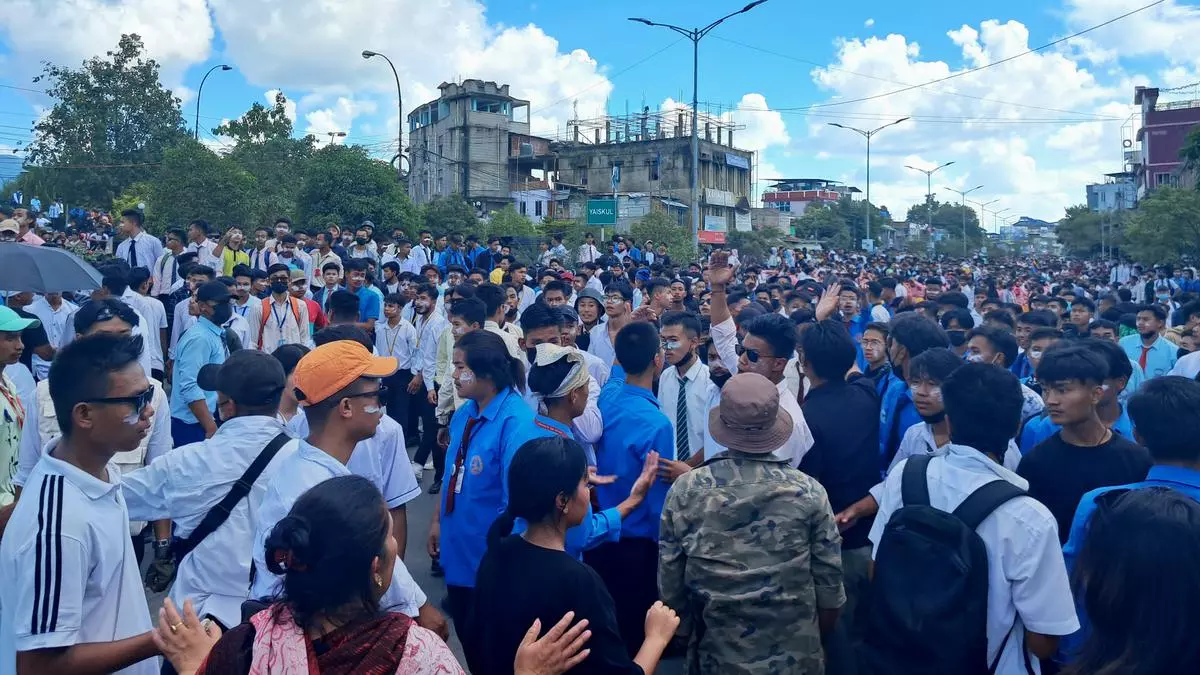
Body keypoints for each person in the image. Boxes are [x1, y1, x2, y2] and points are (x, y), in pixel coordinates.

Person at [865, 363, 1080, 674]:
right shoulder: (1028, 517)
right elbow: (1044, 639)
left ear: (949, 422)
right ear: (1015, 429)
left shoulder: (905, 476)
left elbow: (877, 568)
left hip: (900, 656)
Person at [155, 476, 467, 674]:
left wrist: (198, 666)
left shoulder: (246, 647)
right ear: (376, 568)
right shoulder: (419, 655)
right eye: (388, 532)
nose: (395, 540)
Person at [249, 338, 439, 631]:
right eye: (379, 394)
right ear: (347, 407)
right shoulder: (324, 494)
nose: (381, 405)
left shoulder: (304, 466)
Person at [661, 373, 845, 674]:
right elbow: (830, 590)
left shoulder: (686, 490)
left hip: (716, 656)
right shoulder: (809, 492)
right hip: (795, 657)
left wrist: (685, 634)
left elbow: (671, 583)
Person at [0, 334, 161, 674]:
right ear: (84, 414)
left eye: (148, 394)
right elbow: (37, 667)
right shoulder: (58, 527)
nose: (148, 410)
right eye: (135, 400)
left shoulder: (103, 472)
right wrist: (159, 639)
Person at [468, 436, 679, 675]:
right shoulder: (579, 582)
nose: (590, 493)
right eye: (586, 484)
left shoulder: (498, 552)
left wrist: (634, 499)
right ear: (562, 501)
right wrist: (656, 637)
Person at [122, 350, 298, 633]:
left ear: (227, 406)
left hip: (199, 625)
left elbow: (116, 497)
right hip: (280, 627)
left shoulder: (188, 462)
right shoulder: (308, 462)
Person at [1056, 376, 1200, 670]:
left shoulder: (1099, 504)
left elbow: (1075, 592)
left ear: (1138, 436)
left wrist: (1074, 657)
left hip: (1107, 658)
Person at [429, 330, 539, 628]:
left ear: (487, 372)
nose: (453, 375)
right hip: (459, 555)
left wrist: (507, 569)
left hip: (490, 565)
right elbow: (454, 471)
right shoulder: (465, 413)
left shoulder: (516, 424)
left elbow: (516, 505)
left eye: (461, 367)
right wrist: (438, 521)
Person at [589, 321, 676, 654]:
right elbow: (657, 500)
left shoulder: (608, 394)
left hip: (599, 526)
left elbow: (615, 370)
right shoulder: (656, 423)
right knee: (635, 633)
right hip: (636, 541)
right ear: (658, 360)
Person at [1017, 346, 1151, 544]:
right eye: (1046, 389)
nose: (1051, 400)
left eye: (1062, 390)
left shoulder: (1137, 459)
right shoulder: (1036, 462)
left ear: (1096, 394)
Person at [169, 281, 233, 444]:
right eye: (221, 304)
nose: (226, 307)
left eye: (228, 302)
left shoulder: (214, 333)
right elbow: (190, 386)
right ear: (203, 306)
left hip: (206, 419)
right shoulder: (200, 338)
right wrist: (210, 427)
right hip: (193, 423)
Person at [656, 311, 712, 470]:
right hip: (667, 469)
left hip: (702, 471)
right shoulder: (665, 377)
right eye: (663, 341)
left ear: (694, 342)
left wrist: (687, 467)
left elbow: (715, 438)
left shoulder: (711, 383)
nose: (666, 348)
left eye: (673, 341)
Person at [409, 283, 448, 483]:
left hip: (433, 381)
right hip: (422, 377)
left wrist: (425, 381)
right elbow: (420, 351)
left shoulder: (438, 323)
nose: (418, 302)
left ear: (433, 301)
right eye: (417, 298)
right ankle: (432, 463)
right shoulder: (420, 320)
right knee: (427, 423)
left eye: (423, 298)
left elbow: (432, 357)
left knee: (432, 424)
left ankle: (418, 463)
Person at [0, 306, 30, 516]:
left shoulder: (8, 382)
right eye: (10, 338)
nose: (20, 345)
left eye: (20, 337)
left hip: (11, 501)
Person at [251, 263, 310, 352]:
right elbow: (252, 341)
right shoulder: (258, 307)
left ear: (289, 280)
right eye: (275, 278)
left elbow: (304, 338)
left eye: (283, 278)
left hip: (294, 360)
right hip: (268, 360)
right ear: (268, 281)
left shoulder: (300, 306)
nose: (279, 281)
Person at [1119, 304, 1177, 378]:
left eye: (1146, 319)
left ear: (1160, 323)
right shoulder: (1124, 343)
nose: (1140, 323)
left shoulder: (1172, 351)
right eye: (1138, 319)